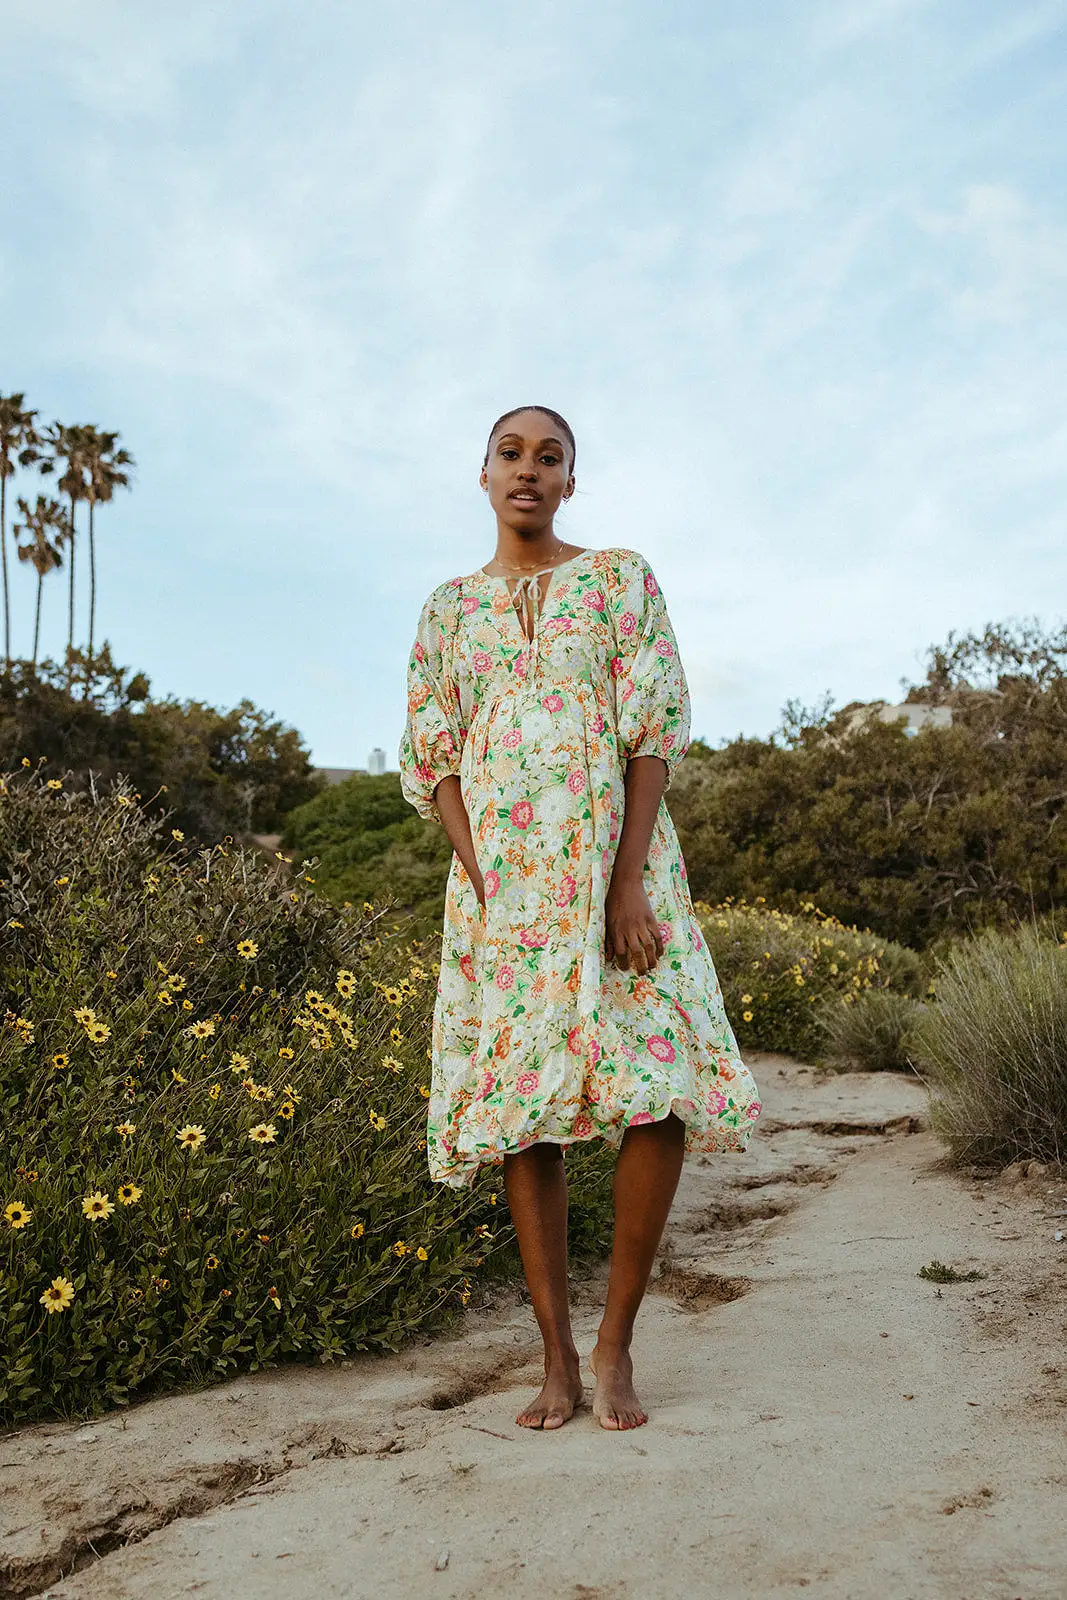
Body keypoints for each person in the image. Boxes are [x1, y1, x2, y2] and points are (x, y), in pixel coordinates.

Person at [398, 405, 761, 1432]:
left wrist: (624, 880)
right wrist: (485, 887)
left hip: (616, 870)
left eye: (547, 456)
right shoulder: (448, 610)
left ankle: (615, 1343)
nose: (527, 469)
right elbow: (432, 756)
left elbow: (651, 728)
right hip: (503, 898)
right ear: (481, 475)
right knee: (527, 1115)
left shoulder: (617, 579)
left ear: (569, 480)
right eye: (509, 454)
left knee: (654, 1093)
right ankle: (553, 1352)